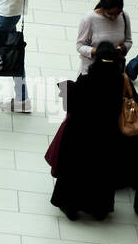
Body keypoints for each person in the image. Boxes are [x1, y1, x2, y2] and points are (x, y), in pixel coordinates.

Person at [49, 41, 124, 221]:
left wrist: (67, 88)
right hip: (106, 135)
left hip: (80, 133)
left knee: (75, 170)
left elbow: (73, 105)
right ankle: (99, 208)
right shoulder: (119, 80)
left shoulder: (86, 79)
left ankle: (71, 206)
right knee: (100, 172)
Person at [75, 0, 132, 74]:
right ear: (103, 8)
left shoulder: (124, 16)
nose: (114, 17)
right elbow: (80, 46)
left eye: (117, 13)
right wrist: (99, 51)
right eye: (110, 14)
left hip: (114, 70)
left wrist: (121, 48)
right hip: (92, 70)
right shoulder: (89, 18)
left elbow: (128, 40)